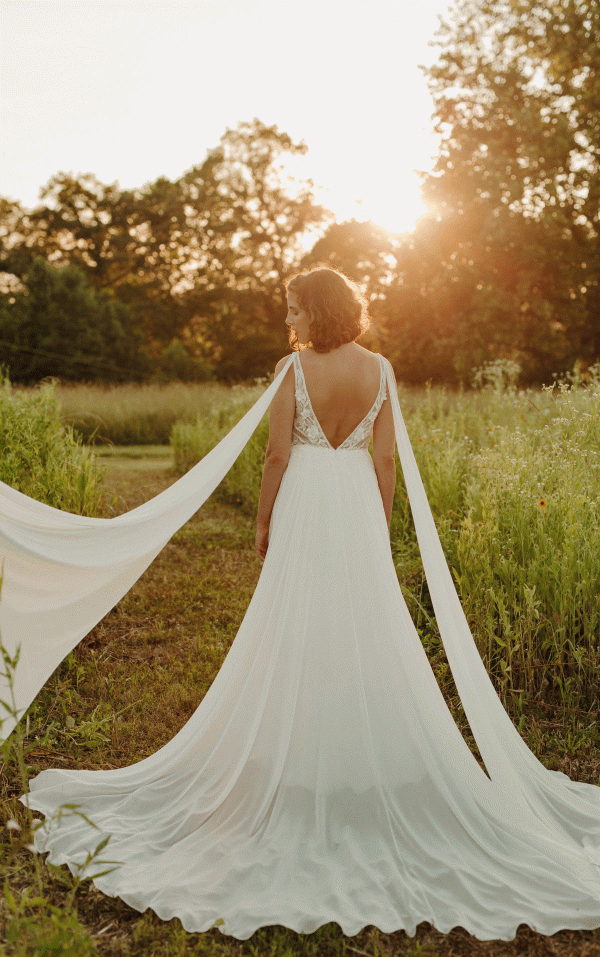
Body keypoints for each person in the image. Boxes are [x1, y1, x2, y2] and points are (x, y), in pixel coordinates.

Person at [12, 267, 600, 941]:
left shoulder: (293, 370)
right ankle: (358, 762)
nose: (286, 316)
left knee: (298, 630)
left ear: (316, 311)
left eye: (293, 306)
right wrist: (378, 529)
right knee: (366, 634)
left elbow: (276, 456)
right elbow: (385, 462)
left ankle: (296, 760)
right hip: (354, 508)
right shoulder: (381, 369)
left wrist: (263, 522)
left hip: (306, 507)